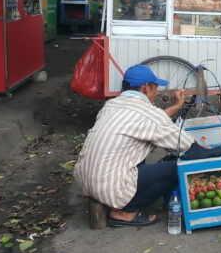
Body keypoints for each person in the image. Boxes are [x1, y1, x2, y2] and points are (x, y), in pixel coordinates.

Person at [73, 65, 195, 227]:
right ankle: (125, 212)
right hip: (109, 186)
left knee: (151, 158)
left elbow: (148, 122)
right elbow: (185, 145)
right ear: (145, 88)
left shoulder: (111, 105)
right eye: (155, 88)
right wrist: (207, 152)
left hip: (85, 180)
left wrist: (175, 107)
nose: (156, 93)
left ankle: (115, 198)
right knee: (179, 167)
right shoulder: (147, 112)